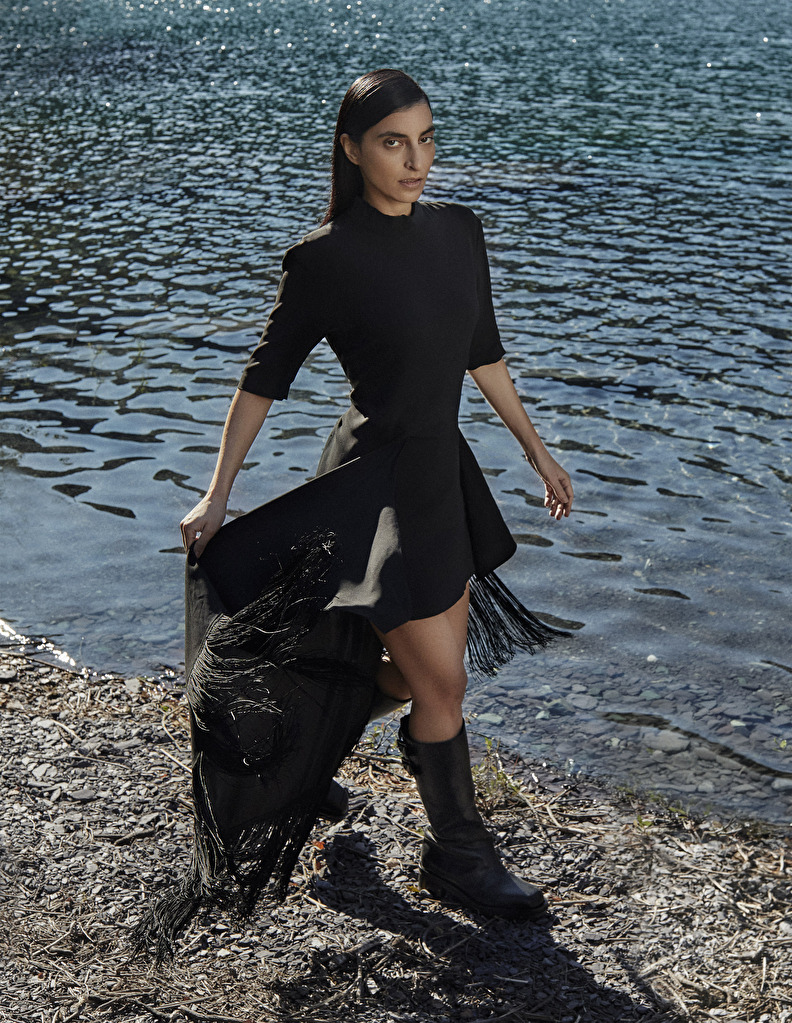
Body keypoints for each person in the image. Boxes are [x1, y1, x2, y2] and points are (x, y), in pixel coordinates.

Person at [140, 68, 572, 957]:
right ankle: (458, 854)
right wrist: (217, 492)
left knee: (419, 681)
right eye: (392, 142)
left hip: (440, 479)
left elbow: (483, 353)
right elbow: (262, 379)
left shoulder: (459, 231)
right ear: (351, 149)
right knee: (442, 684)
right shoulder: (324, 258)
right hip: (372, 493)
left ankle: (303, 742)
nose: (415, 160)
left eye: (426, 139)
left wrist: (536, 449)